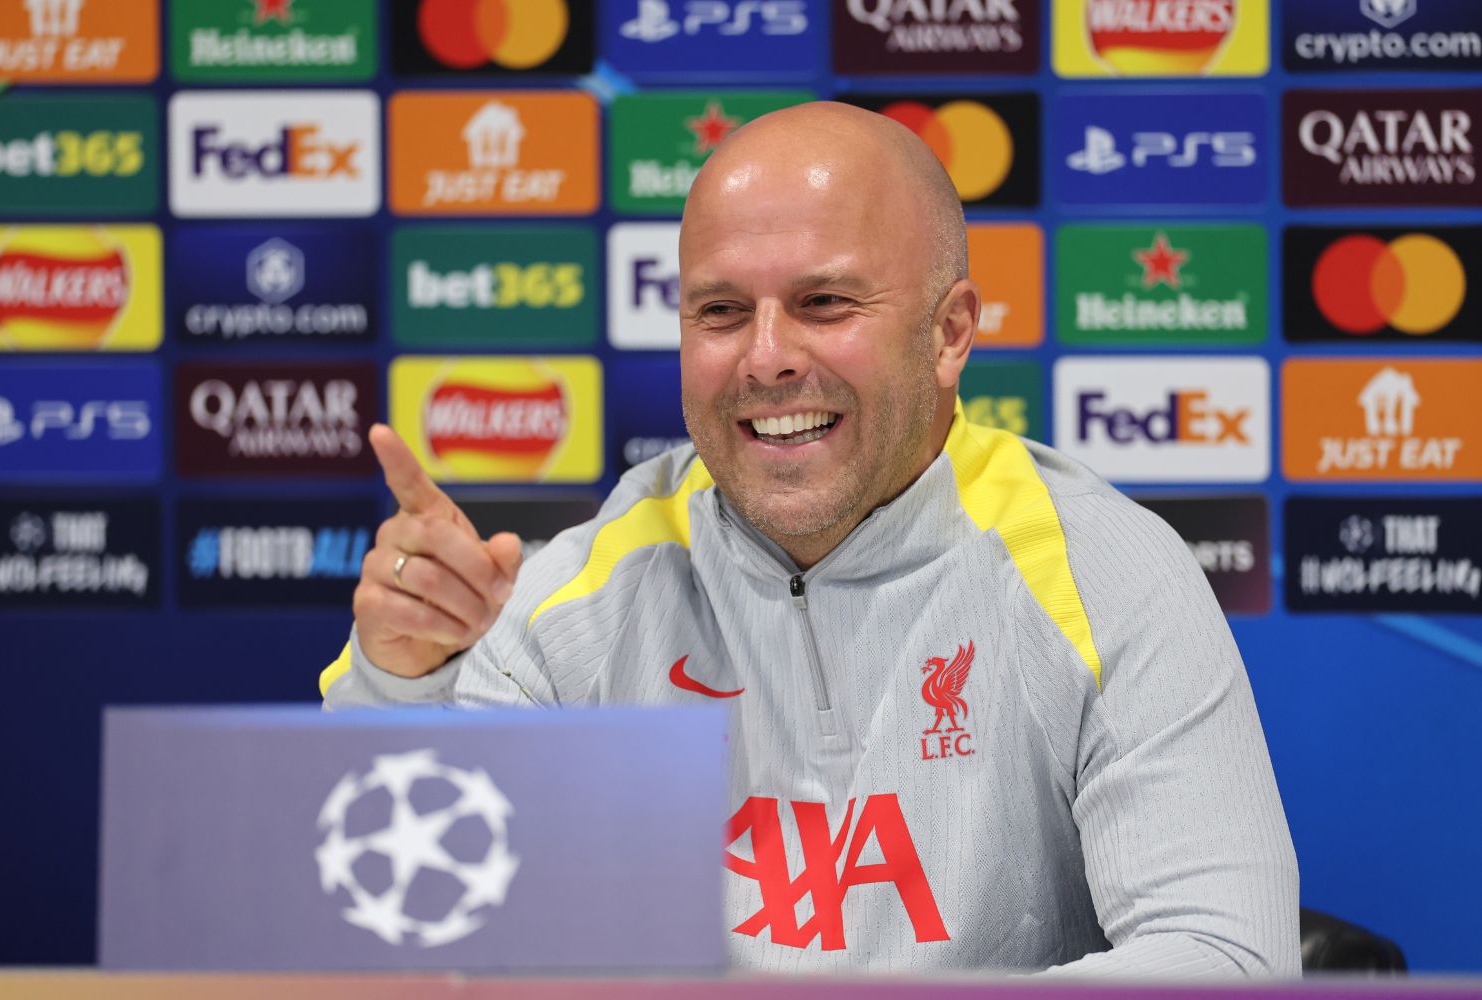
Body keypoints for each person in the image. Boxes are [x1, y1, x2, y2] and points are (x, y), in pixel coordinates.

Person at [321, 102, 1299, 976]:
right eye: (721, 312)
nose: (767, 358)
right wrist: (404, 680)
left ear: (950, 332)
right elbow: (406, 929)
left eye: (825, 303)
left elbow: (1226, 954)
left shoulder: (1102, 570)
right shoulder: (586, 592)